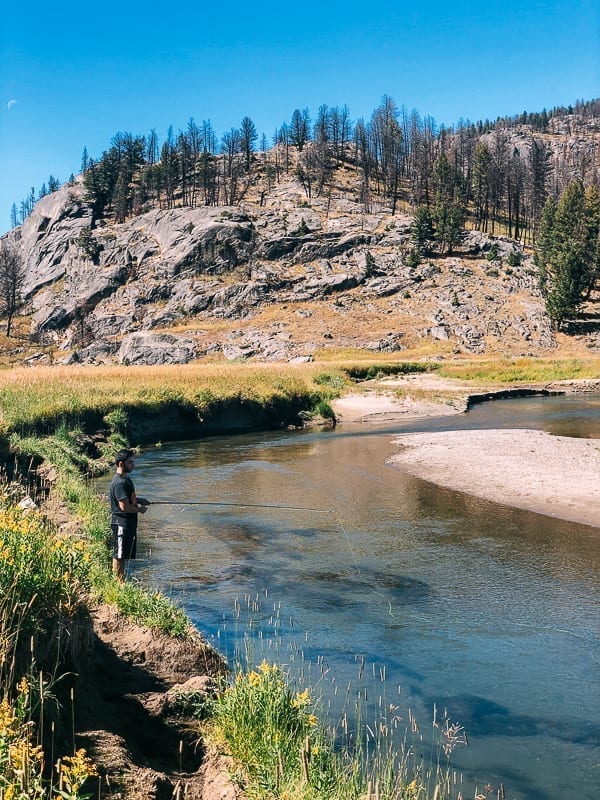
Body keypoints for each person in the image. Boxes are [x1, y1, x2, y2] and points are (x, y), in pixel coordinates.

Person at [109, 448, 149, 581]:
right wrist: (139, 510)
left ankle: (121, 580)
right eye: (130, 463)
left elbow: (127, 500)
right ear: (121, 464)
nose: (133, 465)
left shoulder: (125, 478)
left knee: (123, 554)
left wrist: (139, 501)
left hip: (127, 523)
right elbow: (124, 506)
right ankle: (118, 584)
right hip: (121, 523)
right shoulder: (119, 483)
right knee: (119, 555)